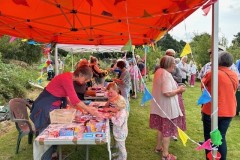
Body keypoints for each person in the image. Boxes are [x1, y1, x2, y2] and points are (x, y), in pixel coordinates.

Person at [30, 65, 98, 159]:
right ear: (81, 74)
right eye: (86, 80)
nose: (85, 82)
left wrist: (81, 109)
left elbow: (68, 98)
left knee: (54, 132)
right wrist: (90, 110)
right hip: (45, 107)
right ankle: (45, 157)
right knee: (47, 135)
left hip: (52, 106)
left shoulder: (69, 78)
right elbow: (74, 99)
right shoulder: (66, 78)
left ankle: (53, 154)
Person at [201, 51, 238, 160]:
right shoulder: (234, 74)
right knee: (221, 137)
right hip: (229, 111)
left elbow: (203, 87)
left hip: (212, 111)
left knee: (210, 137)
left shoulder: (213, 73)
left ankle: (210, 158)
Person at [150, 56, 186, 160]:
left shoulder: (159, 71)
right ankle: (165, 155)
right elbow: (167, 92)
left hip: (160, 107)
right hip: (167, 109)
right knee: (167, 132)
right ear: (169, 64)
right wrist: (179, 90)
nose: (175, 65)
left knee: (161, 129)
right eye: (173, 63)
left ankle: (158, 147)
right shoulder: (166, 74)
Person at [103, 82, 128, 160]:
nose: (114, 107)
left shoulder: (121, 112)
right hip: (118, 132)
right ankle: (119, 153)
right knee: (120, 145)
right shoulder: (119, 111)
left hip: (121, 133)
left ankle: (123, 157)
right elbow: (116, 114)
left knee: (122, 147)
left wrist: (112, 117)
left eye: (115, 106)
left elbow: (118, 123)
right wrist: (113, 115)